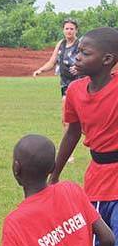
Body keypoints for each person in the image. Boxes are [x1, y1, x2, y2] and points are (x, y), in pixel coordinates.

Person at [50, 26, 118, 246]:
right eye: (78, 51)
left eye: (84, 53)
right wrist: (55, 173)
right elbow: (73, 133)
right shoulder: (76, 91)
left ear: (108, 60)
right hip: (95, 185)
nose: (77, 57)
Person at [33, 18, 80, 162]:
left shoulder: (81, 44)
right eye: (67, 28)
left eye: (72, 28)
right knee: (67, 120)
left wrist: (79, 66)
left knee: (82, 120)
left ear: (76, 30)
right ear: (63, 30)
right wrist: (40, 70)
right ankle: (69, 153)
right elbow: (52, 62)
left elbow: (88, 60)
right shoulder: (61, 44)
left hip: (80, 85)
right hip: (66, 86)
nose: (69, 31)